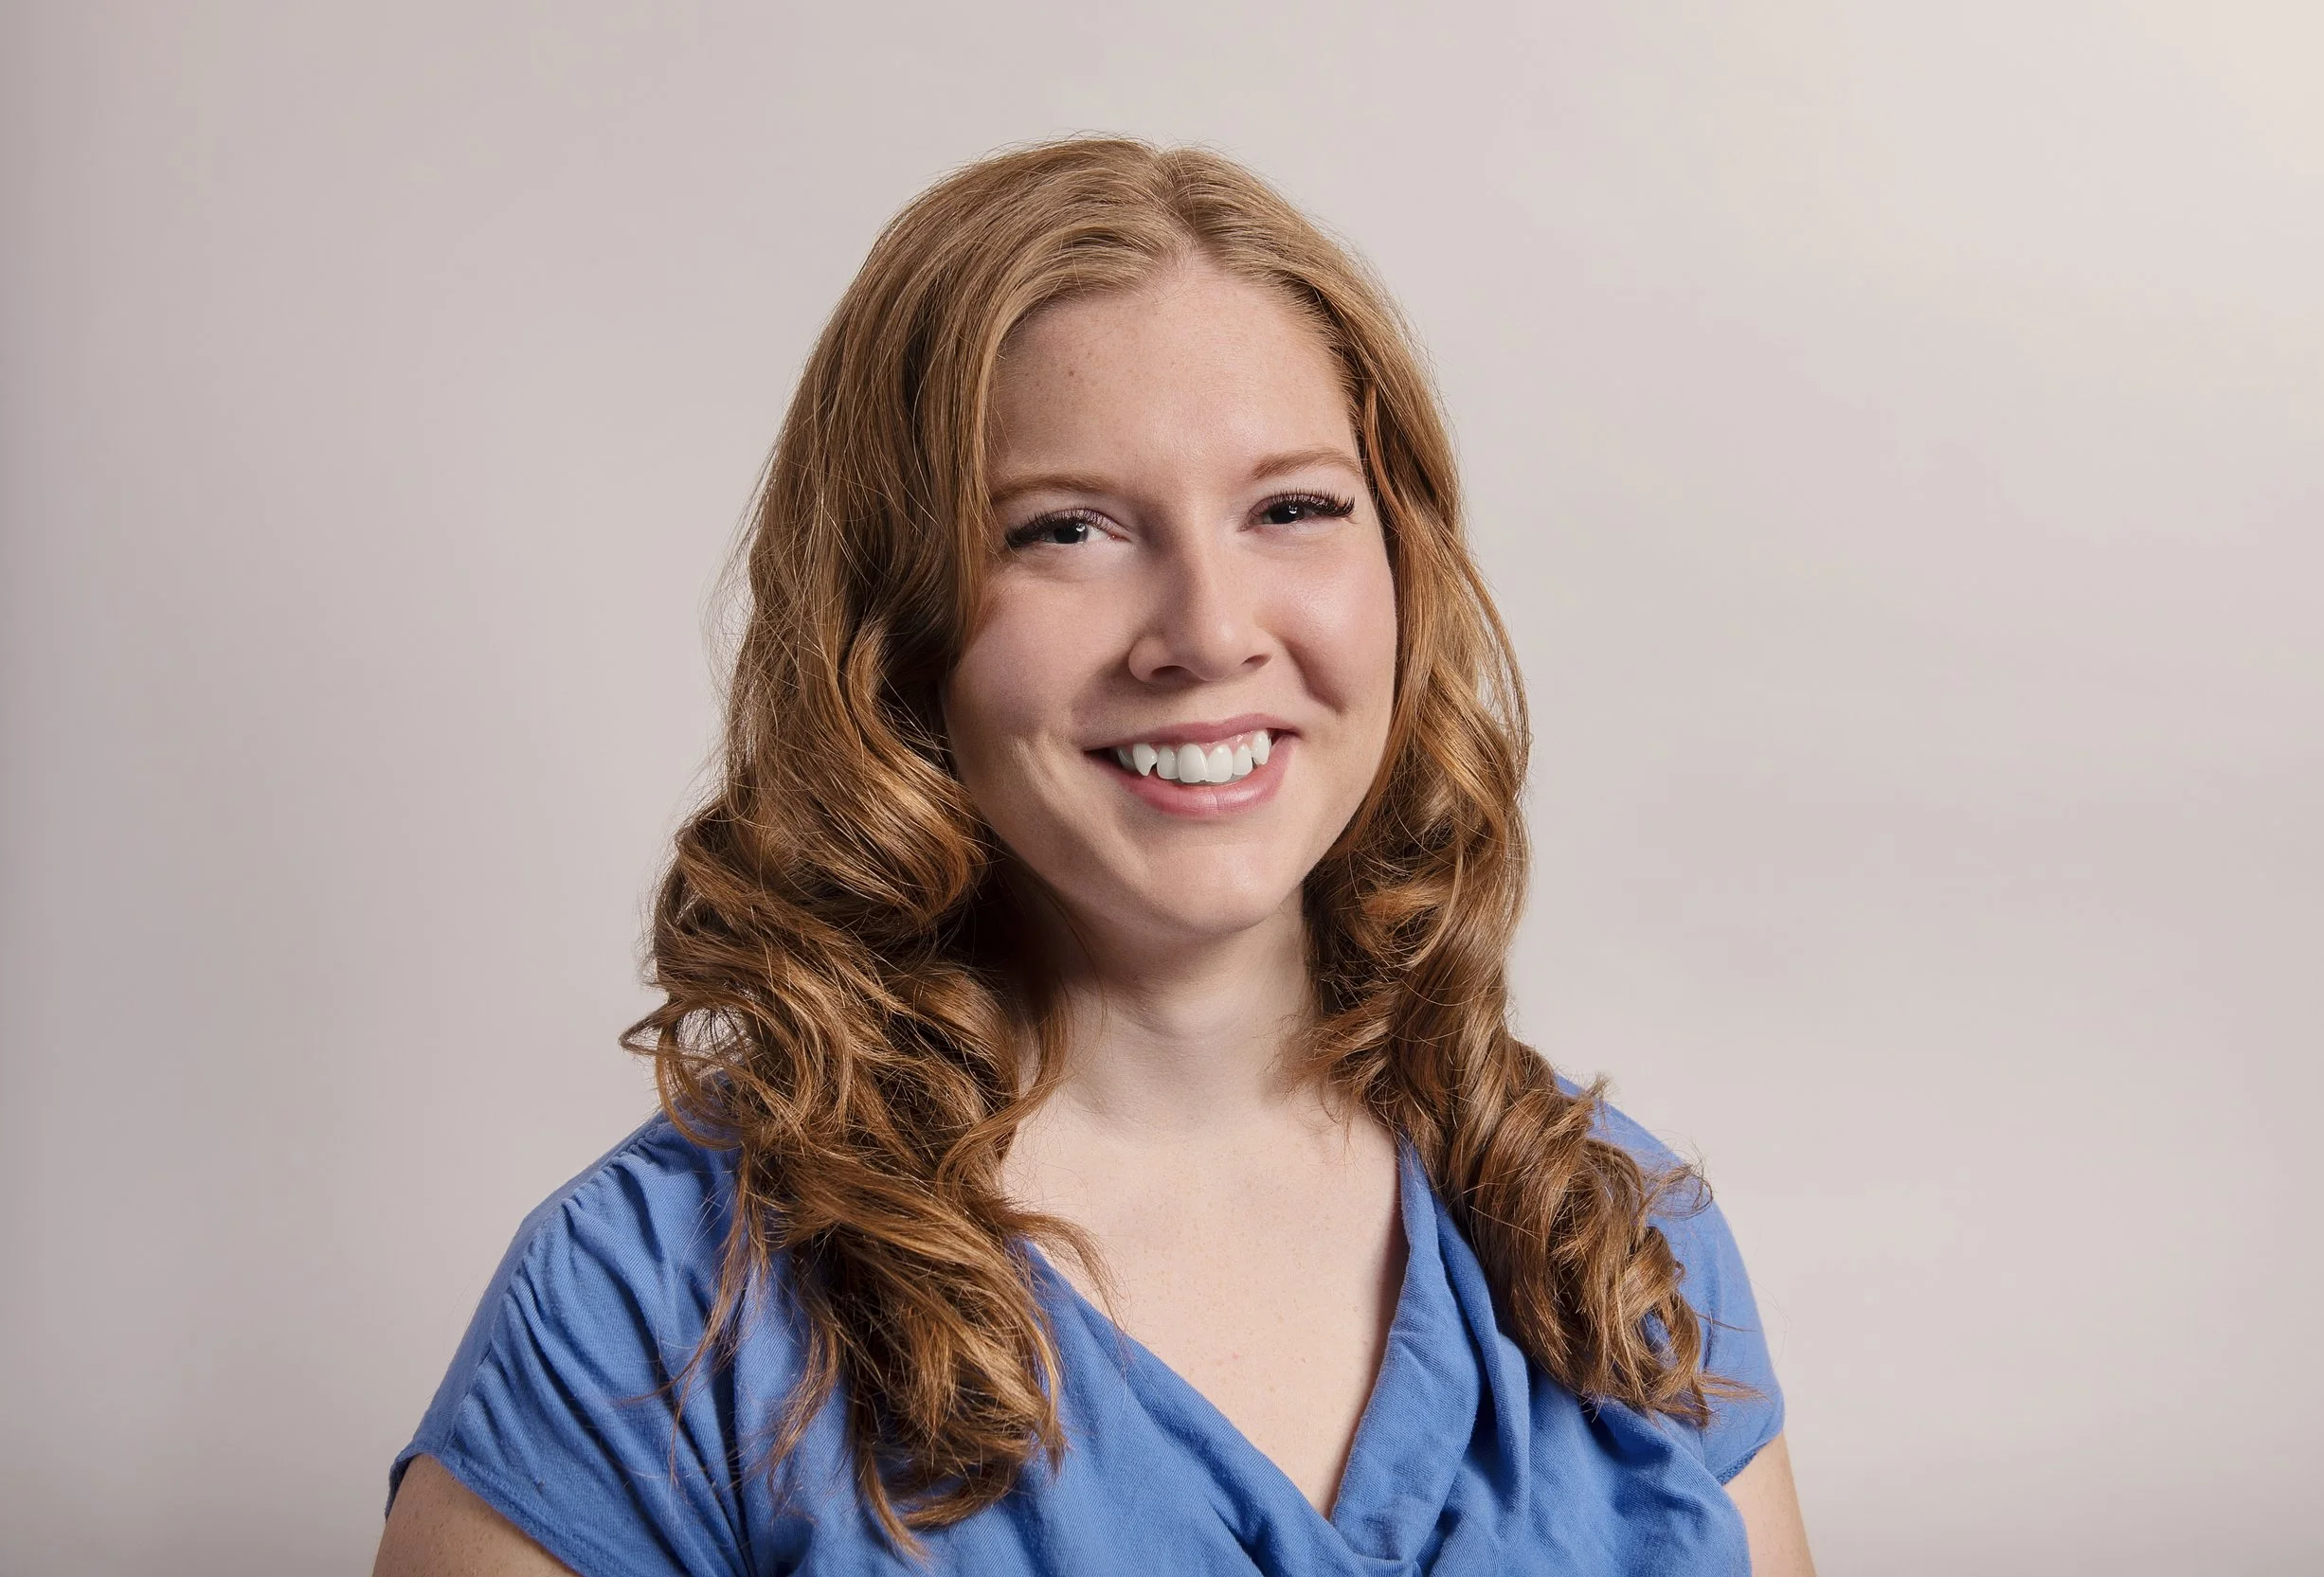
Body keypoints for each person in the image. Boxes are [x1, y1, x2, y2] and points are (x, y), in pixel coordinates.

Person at [373, 136, 1816, 1577]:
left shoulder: (1610, 1235)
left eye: (1293, 509)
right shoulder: (644, 1318)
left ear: (1404, 571)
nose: (1207, 630)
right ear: (894, 631)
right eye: (1067, 529)